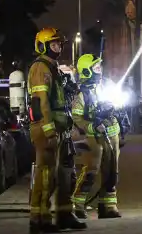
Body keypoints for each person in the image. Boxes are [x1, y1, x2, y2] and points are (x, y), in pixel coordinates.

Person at [26, 28, 86, 232]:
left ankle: (64, 214)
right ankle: (39, 219)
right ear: (42, 46)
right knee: (45, 175)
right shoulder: (40, 68)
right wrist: (49, 130)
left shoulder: (54, 67)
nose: (58, 47)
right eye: (53, 44)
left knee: (65, 173)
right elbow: (41, 103)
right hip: (47, 130)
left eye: (59, 44)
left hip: (61, 128)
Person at [70, 53, 122, 219]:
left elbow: (120, 102)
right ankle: (77, 205)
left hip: (112, 134)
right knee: (91, 171)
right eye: (96, 67)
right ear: (87, 71)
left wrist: (114, 105)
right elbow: (76, 117)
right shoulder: (82, 95)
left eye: (99, 67)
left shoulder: (108, 85)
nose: (100, 70)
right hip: (94, 137)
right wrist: (92, 126)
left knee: (112, 171)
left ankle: (108, 206)